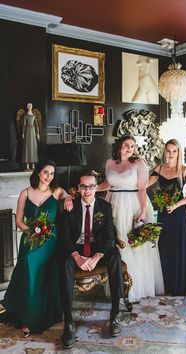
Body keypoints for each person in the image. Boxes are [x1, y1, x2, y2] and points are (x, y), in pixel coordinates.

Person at [0, 159, 73, 336]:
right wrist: (32, 231)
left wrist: (69, 198)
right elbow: (18, 220)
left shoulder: (56, 191)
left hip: (51, 241)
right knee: (27, 264)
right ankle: (26, 313)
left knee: (40, 268)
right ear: (38, 172)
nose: (49, 176)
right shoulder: (25, 193)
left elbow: (68, 195)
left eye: (52, 173)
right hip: (31, 239)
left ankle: (34, 318)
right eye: (46, 172)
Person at [59, 171, 124, 349]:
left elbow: (110, 237)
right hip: (76, 249)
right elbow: (64, 238)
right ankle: (69, 322)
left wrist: (96, 257)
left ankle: (115, 313)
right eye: (83, 186)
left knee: (116, 256)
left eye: (91, 186)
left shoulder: (105, 207)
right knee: (64, 263)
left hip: (98, 249)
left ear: (97, 187)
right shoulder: (70, 207)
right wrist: (77, 257)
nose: (87, 190)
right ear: (78, 188)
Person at [98, 135, 164, 302]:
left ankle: (134, 288)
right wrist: (93, 188)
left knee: (130, 243)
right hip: (112, 203)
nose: (129, 148)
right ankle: (117, 286)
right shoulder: (109, 163)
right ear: (119, 146)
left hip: (132, 204)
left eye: (132, 146)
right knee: (115, 242)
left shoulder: (139, 163)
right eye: (126, 145)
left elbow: (142, 189)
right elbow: (108, 183)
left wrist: (142, 211)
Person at [149, 139, 186, 296]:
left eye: (174, 151)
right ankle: (166, 284)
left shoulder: (185, 170)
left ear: (179, 152)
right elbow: (143, 184)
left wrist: (176, 205)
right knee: (165, 245)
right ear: (165, 151)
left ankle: (180, 284)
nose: (171, 154)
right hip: (164, 213)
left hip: (179, 213)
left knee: (178, 246)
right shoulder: (159, 168)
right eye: (168, 150)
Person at [22, 102, 40, 170]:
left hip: (33, 132)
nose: (30, 107)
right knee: (27, 147)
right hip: (27, 132)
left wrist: (38, 133)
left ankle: (33, 164)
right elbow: (24, 125)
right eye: (29, 106)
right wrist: (23, 133)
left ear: (32, 107)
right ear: (27, 107)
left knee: (33, 147)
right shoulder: (25, 116)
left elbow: (37, 125)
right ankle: (27, 165)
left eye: (31, 106)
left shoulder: (34, 116)